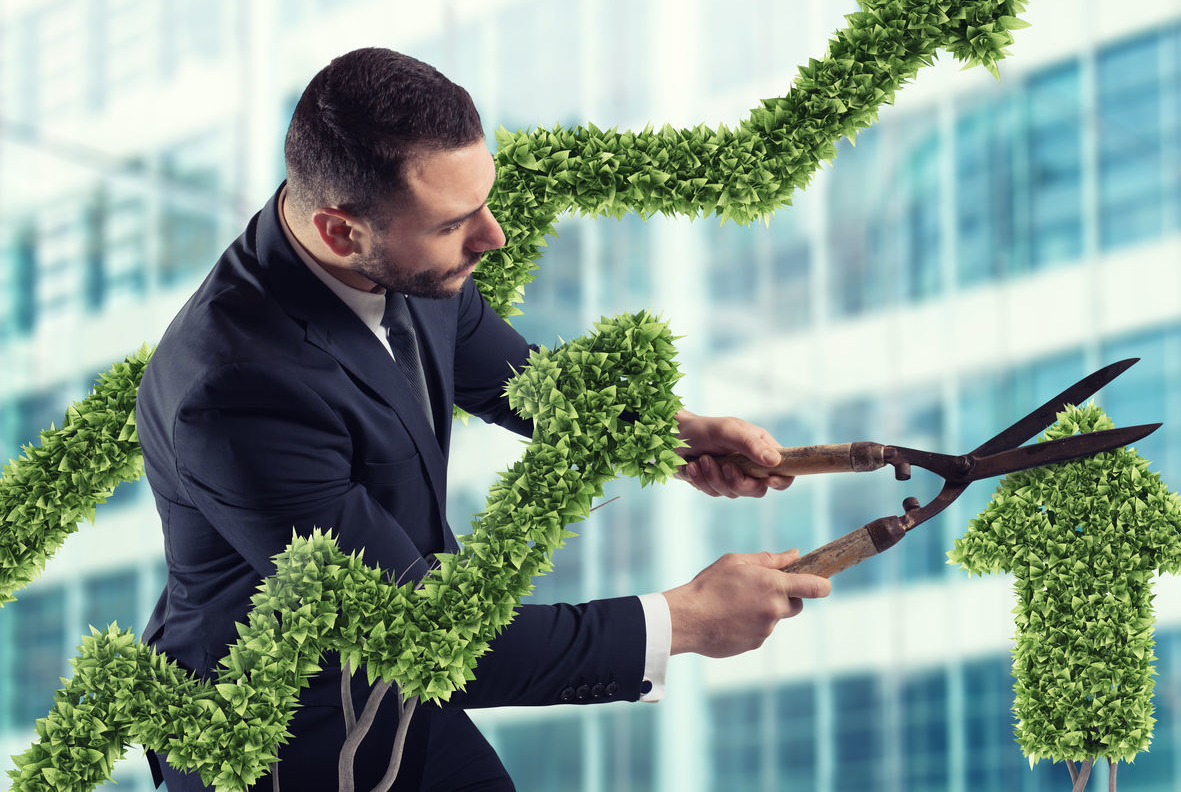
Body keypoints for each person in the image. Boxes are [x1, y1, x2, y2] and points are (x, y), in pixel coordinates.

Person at [136, 47, 831, 791]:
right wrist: (683, 620)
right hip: (280, 741)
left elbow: (515, 378)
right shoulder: (235, 393)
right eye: (456, 222)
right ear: (339, 230)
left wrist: (673, 432)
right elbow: (425, 637)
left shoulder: (402, 257)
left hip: (397, 683)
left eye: (484, 202)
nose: (493, 236)